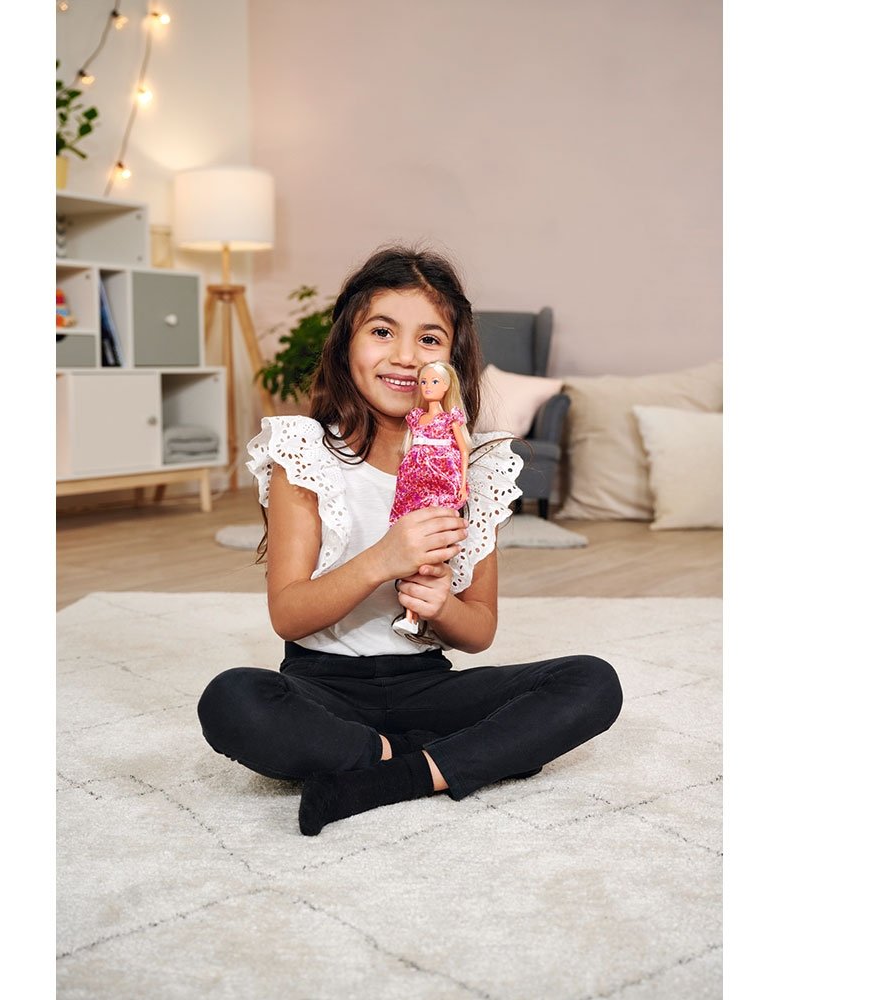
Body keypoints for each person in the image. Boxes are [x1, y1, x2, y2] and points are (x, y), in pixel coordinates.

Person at [197, 245, 623, 836]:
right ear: (346, 342)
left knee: (592, 683)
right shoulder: (305, 454)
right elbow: (288, 615)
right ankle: (436, 758)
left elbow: (479, 632)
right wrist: (383, 559)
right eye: (381, 331)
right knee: (231, 700)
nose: (404, 356)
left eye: (429, 338)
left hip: (428, 686)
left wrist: (443, 606)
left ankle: (385, 775)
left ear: (452, 359)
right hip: (323, 687)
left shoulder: (475, 464)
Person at [389, 360, 469, 636]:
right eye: (423, 382)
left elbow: (463, 450)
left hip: (440, 481)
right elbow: (412, 449)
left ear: (447, 386)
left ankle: (414, 615)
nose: (427, 387)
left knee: (431, 546)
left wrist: (462, 483)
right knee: (413, 543)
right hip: (414, 482)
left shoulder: (449, 419)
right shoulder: (416, 418)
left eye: (434, 382)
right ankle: (410, 616)